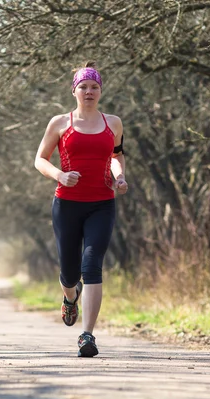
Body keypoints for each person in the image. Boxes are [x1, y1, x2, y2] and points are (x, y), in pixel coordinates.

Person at [34, 62, 128, 357]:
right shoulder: (60, 123)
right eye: (84, 87)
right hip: (67, 204)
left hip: (102, 203)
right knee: (70, 272)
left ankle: (87, 336)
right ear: (74, 90)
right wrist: (60, 175)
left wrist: (120, 176)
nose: (89, 91)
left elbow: (117, 156)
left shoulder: (113, 123)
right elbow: (40, 159)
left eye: (94, 87)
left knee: (92, 267)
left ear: (101, 91)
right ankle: (70, 299)